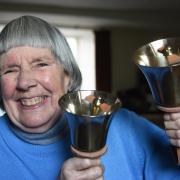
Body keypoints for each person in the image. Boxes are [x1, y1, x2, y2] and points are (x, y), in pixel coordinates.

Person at [0, 15, 180, 180]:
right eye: (10, 70)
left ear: (68, 75)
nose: (25, 82)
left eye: (41, 64)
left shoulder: (128, 126)